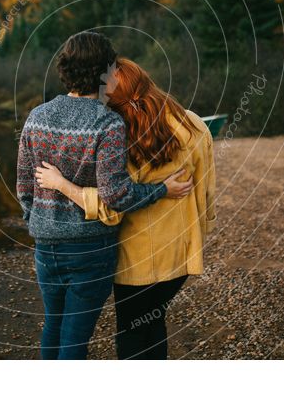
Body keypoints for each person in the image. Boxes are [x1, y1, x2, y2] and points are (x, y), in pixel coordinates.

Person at [16, 32, 194, 360]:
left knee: (52, 328)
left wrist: (37, 221)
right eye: (113, 69)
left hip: (45, 245)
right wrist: (162, 189)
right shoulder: (108, 123)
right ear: (104, 73)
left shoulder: (36, 117)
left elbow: (25, 186)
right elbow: (116, 195)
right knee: (73, 339)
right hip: (89, 249)